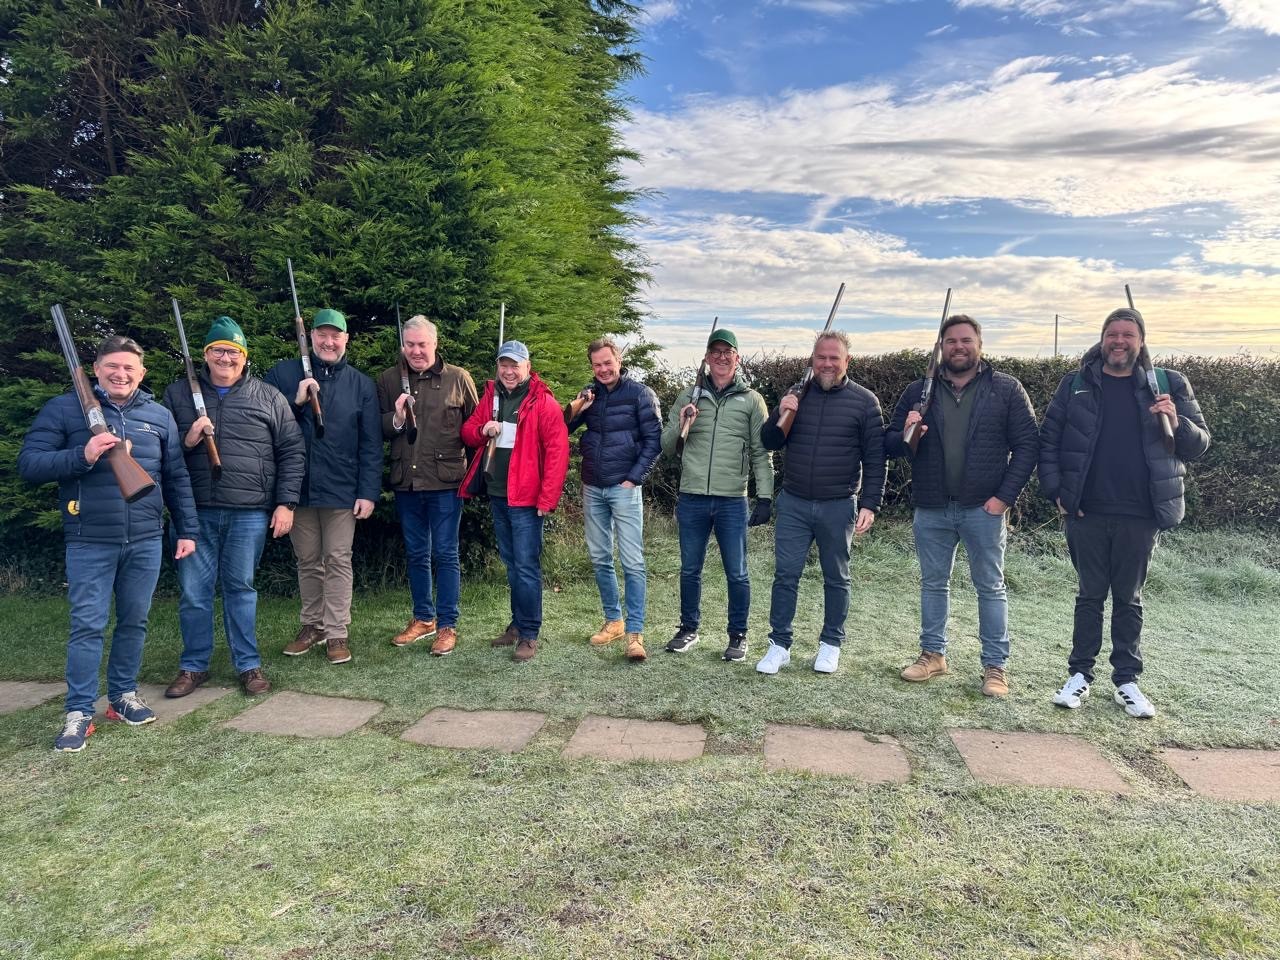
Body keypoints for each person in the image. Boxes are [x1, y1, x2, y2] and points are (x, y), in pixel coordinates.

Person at [19, 334, 198, 752]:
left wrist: (186, 530)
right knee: (88, 625)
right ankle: (79, 710)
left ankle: (122, 696)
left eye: (129, 368)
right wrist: (83, 455)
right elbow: (29, 464)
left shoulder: (159, 415)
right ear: (96, 370)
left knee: (135, 621)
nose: (121, 374)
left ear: (142, 373)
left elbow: (176, 477)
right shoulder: (65, 409)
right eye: (112, 367)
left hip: (146, 538)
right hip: (89, 539)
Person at [1039, 306, 1209, 718]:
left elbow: (1199, 443)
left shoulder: (1167, 383)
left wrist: (1177, 421)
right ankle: (1079, 676)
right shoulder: (1077, 383)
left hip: (1141, 512)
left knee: (1128, 599)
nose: (1118, 342)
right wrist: (1057, 491)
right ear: (1102, 339)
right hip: (1087, 511)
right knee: (1089, 596)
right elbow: (1049, 440)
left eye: (1127, 335)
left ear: (1141, 341)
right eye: (1111, 334)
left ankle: (1127, 681)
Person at [884, 314, 1038, 697]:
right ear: (941, 347)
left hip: (982, 509)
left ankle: (995, 667)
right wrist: (909, 430)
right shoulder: (921, 390)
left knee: (990, 586)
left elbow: (1028, 446)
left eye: (966, 340)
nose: (959, 347)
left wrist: (1003, 498)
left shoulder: (1006, 388)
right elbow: (888, 444)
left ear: (979, 345)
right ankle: (933, 655)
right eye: (951, 341)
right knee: (934, 584)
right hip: (932, 507)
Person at [162, 316, 305, 698]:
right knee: (194, 592)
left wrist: (286, 503)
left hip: (249, 512)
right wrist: (187, 437)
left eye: (234, 351)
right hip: (193, 513)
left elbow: (292, 451)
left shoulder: (269, 396)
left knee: (241, 588)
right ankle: (193, 666)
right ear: (206, 355)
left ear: (245, 357)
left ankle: (247, 664)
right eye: (219, 350)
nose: (226, 358)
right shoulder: (177, 395)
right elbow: (157, 450)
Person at [755, 331, 885, 675]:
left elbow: (876, 458)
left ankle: (830, 645)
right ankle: (778, 645)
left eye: (834, 358)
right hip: (794, 503)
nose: (827, 364)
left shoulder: (865, 402)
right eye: (821, 358)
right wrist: (780, 412)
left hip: (838, 504)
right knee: (785, 575)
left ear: (847, 362)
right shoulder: (797, 396)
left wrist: (870, 503)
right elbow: (769, 441)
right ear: (811, 361)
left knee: (836, 577)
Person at [264, 308, 381, 665]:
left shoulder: (361, 384)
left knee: (338, 559)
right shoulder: (282, 375)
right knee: (308, 561)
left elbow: (371, 443)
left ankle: (337, 632)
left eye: (336, 336)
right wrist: (295, 402)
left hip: (342, 490)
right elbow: (262, 424)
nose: (329, 342)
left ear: (346, 339)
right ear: (310, 337)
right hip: (296, 489)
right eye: (322, 335)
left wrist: (368, 491)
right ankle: (312, 625)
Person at [659, 328, 773, 661]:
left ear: (737, 358)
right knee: (690, 569)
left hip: (731, 499)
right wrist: (682, 423)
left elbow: (760, 451)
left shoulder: (752, 400)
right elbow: (668, 448)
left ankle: (738, 636)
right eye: (716, 352)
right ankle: (688, 629)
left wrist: (764, 496)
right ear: (707, 358)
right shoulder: (689, 397)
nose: (722, 357)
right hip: (692, 496)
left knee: (737, 571)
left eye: (729, 352)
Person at [459, 340, 569, 662]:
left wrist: (547, 499)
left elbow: (558, 454)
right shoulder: (490, 397)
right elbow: (467, 433)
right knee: (512, 566)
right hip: (497, 496)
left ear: (527, 367)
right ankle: (517, 626)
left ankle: (530, 633)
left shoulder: (543, 403)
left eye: (515, 365)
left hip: (526, 501)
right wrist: (483, 428)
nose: (508, 371)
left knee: (526, 567)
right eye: (503, 365)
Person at [377, 314, 478, 655]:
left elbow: (474, 431)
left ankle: (448, 626)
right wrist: (397, 417)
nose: (416, 351)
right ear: (403, 346)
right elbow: (379, 429)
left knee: (446, 553)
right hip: (407, 482)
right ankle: (423, 618)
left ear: (435, 344)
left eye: (422, 344)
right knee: (417, 554)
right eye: (410, 345)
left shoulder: (458, 379)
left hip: (446, 483)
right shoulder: (390, 379)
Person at [564, 337, 662, 661]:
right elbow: (561, 427)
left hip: (624, 489)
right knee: (600, 557)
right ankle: (613, 621)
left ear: (618, 360)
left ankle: (635, 634)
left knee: (632, 561)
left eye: (608, 362)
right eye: (597, 365)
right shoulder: (588, 394)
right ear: (592, 367)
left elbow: (654, 441)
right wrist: (577, 406)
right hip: (593, 486)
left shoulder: (640, 394)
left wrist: (633, 479)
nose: (603, 369)